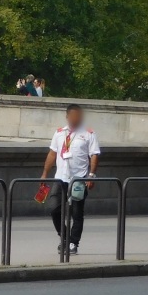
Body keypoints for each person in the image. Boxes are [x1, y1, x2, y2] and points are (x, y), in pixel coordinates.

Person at [41, 104, 100, 255]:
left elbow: (94, 154)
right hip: (60, 178)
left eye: (78, 116)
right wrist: (45, 173)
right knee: (54, 209)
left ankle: (73, 242)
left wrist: (91, 175)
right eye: (73, 116)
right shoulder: (60, 133)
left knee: (76, 212)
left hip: (78, 179)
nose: (76, 119)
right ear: (67, 117)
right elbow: (52, 154)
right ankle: (65, 237)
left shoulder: (88, 133)